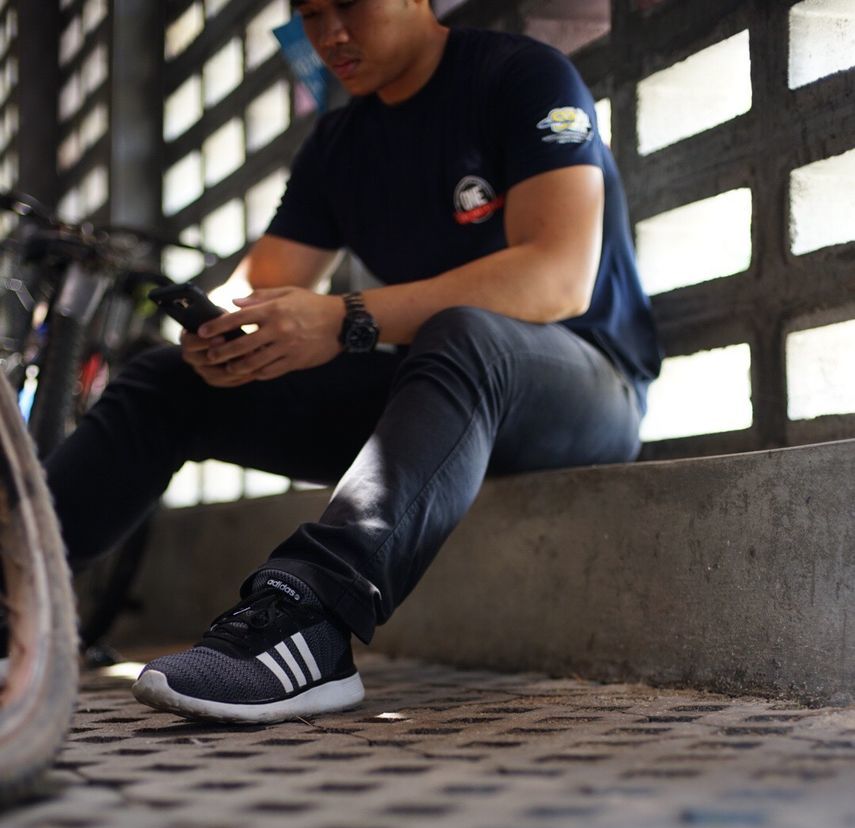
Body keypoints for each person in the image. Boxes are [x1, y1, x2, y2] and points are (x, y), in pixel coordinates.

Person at [44, 0, 662, 724]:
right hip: (434, 400)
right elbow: (265, 277)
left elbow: (555, 278)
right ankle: (13, 601)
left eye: (351, 6)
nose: (330, 33)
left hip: (582, 387)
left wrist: (346, 319)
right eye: (311, 14)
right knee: (164, 380)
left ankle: (309, 618)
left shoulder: (520, 77)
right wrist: (227, 329)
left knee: (463, 332)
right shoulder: (339, 142)